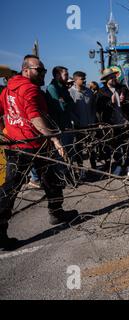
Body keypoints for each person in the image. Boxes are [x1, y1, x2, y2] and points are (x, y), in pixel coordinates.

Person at [0, 55, 78, 250]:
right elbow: (35, 117)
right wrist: (54, 139)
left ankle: (56, 211)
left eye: (43, 70)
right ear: (26, 70)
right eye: (39, 70)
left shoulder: (8, 88)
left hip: (17, 145)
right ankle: (0, 232)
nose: (43, 73)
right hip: (32, 145)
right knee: (12, 188)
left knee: (44, 180)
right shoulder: (29, 89)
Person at [96, 68, 129, 177]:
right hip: (111, 124)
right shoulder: (101, 92)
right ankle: (118, 165)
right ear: (106, 79)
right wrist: (110, 102)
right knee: (115, 146)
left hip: (124, 121)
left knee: (127, 144)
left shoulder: (122, 88)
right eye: (110, 77)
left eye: (114, 77)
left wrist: (125, 100)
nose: (113, 79)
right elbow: (99, 108)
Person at [69, 71, 97, 176]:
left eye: (85, 78)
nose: (84, 80)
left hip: (90, 125)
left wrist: (93, 119)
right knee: (79, 149)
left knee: (92, 148)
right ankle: (80, 170)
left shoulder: (89, 92)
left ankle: (94, 168)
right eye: (82, 78)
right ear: (75, 80)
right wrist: (76, 121)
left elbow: (93, 107)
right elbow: (70, 111)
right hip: (78, 127)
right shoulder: (70, 93)